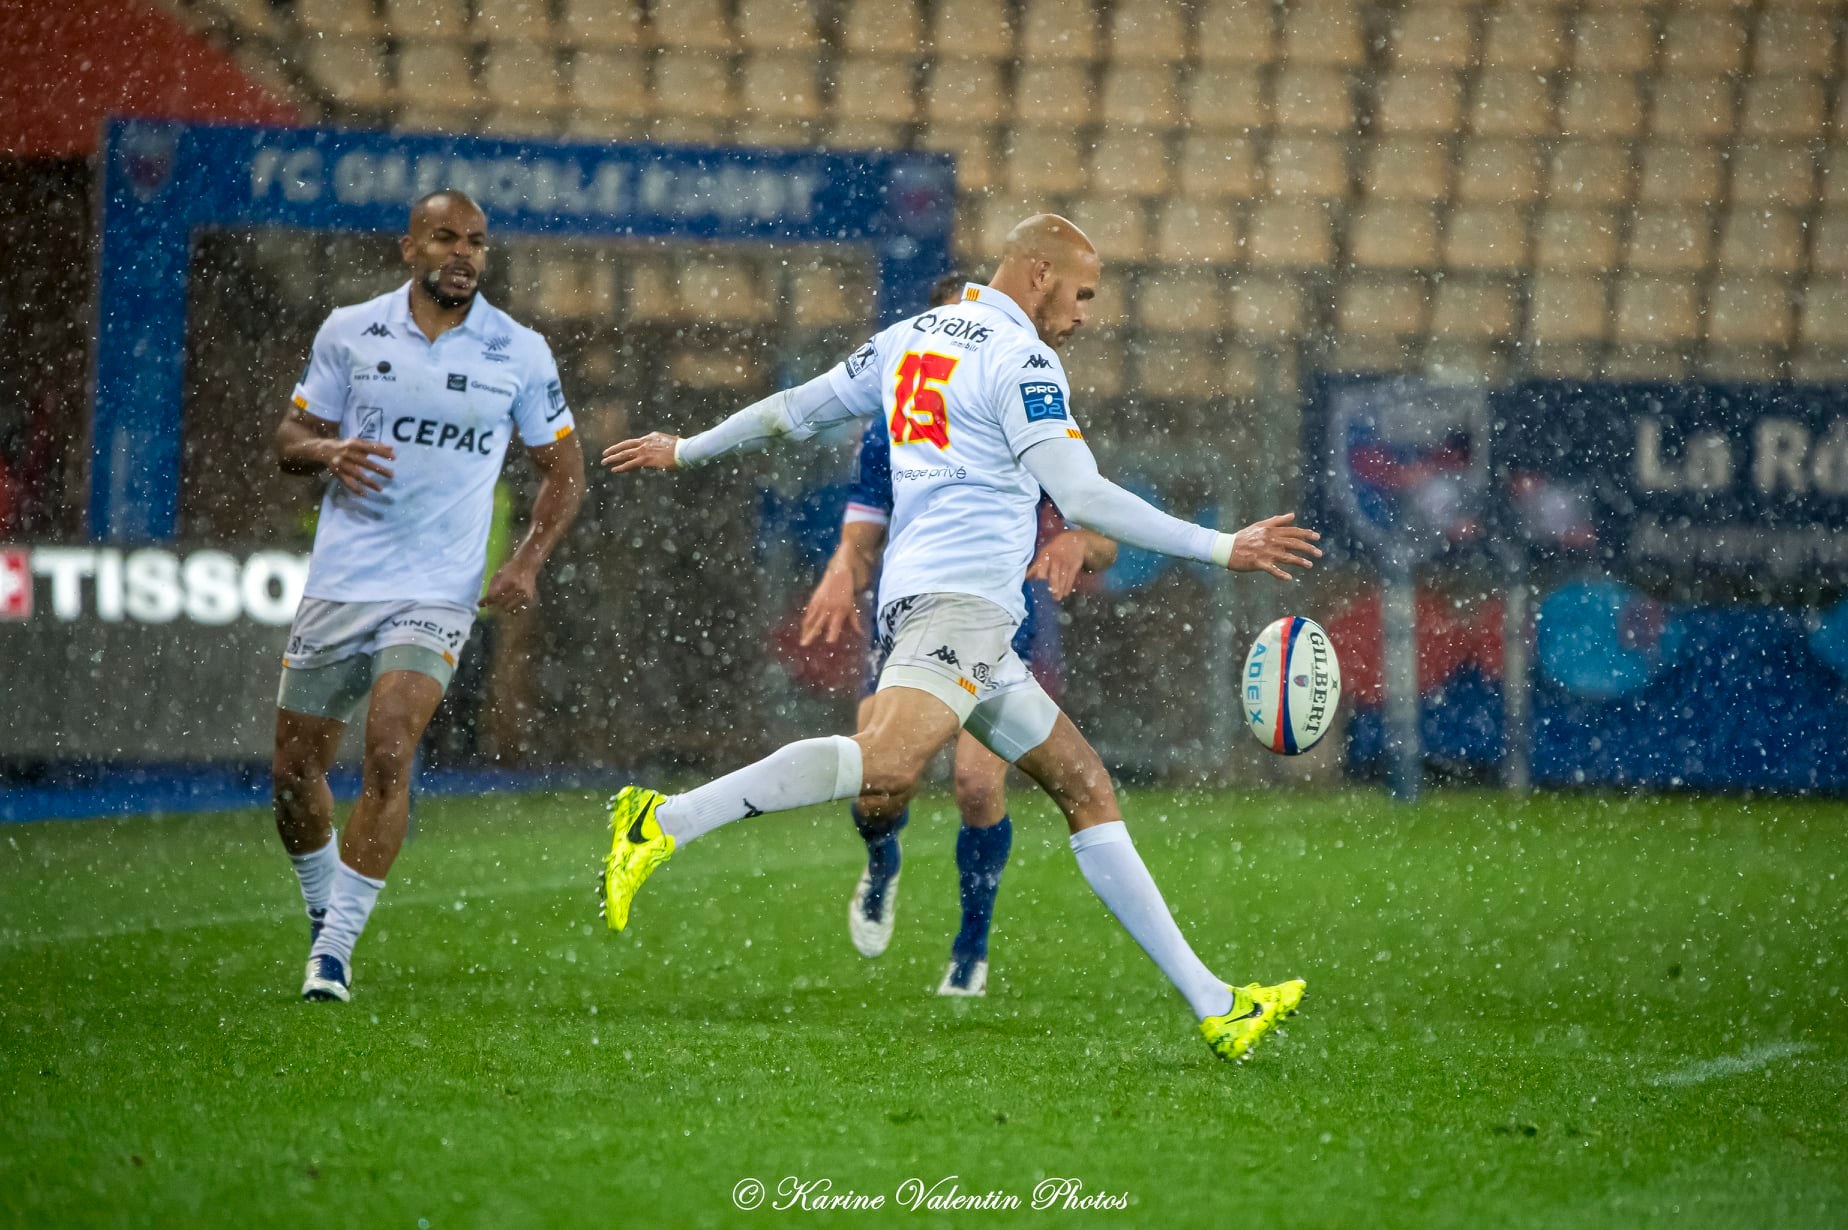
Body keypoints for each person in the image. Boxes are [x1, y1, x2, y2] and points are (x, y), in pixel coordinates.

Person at [602, 214, 1320, 1061]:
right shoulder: (1021, 360)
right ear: (1039, 270)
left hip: (953, 606)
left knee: (1086, 787)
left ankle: (1217, 1004)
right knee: (888, 768)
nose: (1087, 314)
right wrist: (1220, 545)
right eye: (1082, 293)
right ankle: (664, 820)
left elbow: (798, 411)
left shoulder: (911, 336)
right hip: (959, 604)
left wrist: (690, 447)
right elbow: (1082, 498)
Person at [271, 190, 584, 1003]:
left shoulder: (519, 350)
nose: (464, 254)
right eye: (446, 237)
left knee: (387, 751)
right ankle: (321, 911)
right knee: (295, 769)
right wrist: (330, 449)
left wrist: (525, 562)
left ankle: (334, 954)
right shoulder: (349, 329)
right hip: (343, 581)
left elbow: (565, 469)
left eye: (477, 241)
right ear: (409, 247)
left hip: (438, 589)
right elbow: (289, 439)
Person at [802, 273, 1116, 997]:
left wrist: (1076, 544)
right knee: (880, 791)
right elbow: (864, 521)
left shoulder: (1019, 402)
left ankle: (970, 948)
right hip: (911, 617)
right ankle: (882, 861)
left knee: (978, 784)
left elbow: (1101, 527)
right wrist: (841, 568)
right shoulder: (895, 419)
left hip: (997, 616)